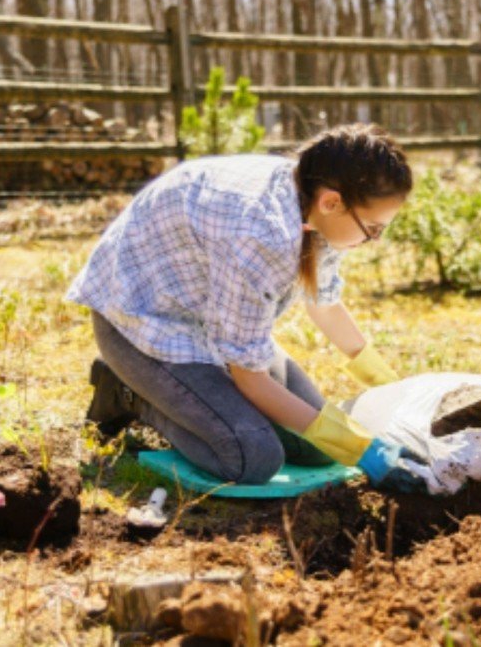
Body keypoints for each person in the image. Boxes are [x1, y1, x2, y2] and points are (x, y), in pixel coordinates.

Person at [66, 123, 425, 493]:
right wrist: (358, 447)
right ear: (332, 202)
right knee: (251, 456)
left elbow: (326, 307)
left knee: (314, 449)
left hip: (213, 322)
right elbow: (250, 378)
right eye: (373, 228)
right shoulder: (261, 236)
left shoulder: (313, 198)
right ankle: (130, 394)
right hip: (144, 327)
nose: (372, 240)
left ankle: (199, 404)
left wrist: (392, 389)